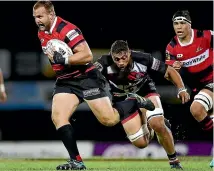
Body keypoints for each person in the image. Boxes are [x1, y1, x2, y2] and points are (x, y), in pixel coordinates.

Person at [33, 1, 155, 170]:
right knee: (58, 117)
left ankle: (133, 101)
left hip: (86, 78)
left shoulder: (67, 29)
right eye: (35, 17)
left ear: (51, 14)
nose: (37, 20)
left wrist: (66, 59)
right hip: (65, 81)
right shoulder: (42, 32)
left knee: (109, 120)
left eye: (40, 16)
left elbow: (87, 55)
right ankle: (77, 161)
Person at [94, 40, 191, 169]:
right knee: (141, 143)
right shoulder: (104, 62)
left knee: (157, 123)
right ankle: (152, 120)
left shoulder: (143, 58)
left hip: (146, 93)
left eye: (124, 58)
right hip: (123, 100)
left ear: (129, 53)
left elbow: (169, 70)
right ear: (111, 56)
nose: (121, 62)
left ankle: (174, 160)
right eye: (117, 59)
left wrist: (181, 88)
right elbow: (89, 74)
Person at [165, 9, 213, 168]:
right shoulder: (172, 47)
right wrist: (180, 88)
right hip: (197, 87)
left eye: (182, 23)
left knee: (197, 108)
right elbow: (168, 73)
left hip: (211, 81)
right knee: (203, 115)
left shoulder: (206, 36)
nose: (178, 27)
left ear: (189, 25)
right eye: (175, 23)